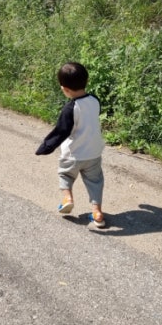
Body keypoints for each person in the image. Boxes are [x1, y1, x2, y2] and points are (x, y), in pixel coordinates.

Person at [35, 62, 106, 228]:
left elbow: (61, 131)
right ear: (86, 81)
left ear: (64, 89)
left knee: (66, 176)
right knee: (95, 182)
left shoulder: (71, 108)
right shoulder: (95, 100)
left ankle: (67, 198)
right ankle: (97, 212)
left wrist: (46, 146)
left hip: (73, 154)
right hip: (94, 153)